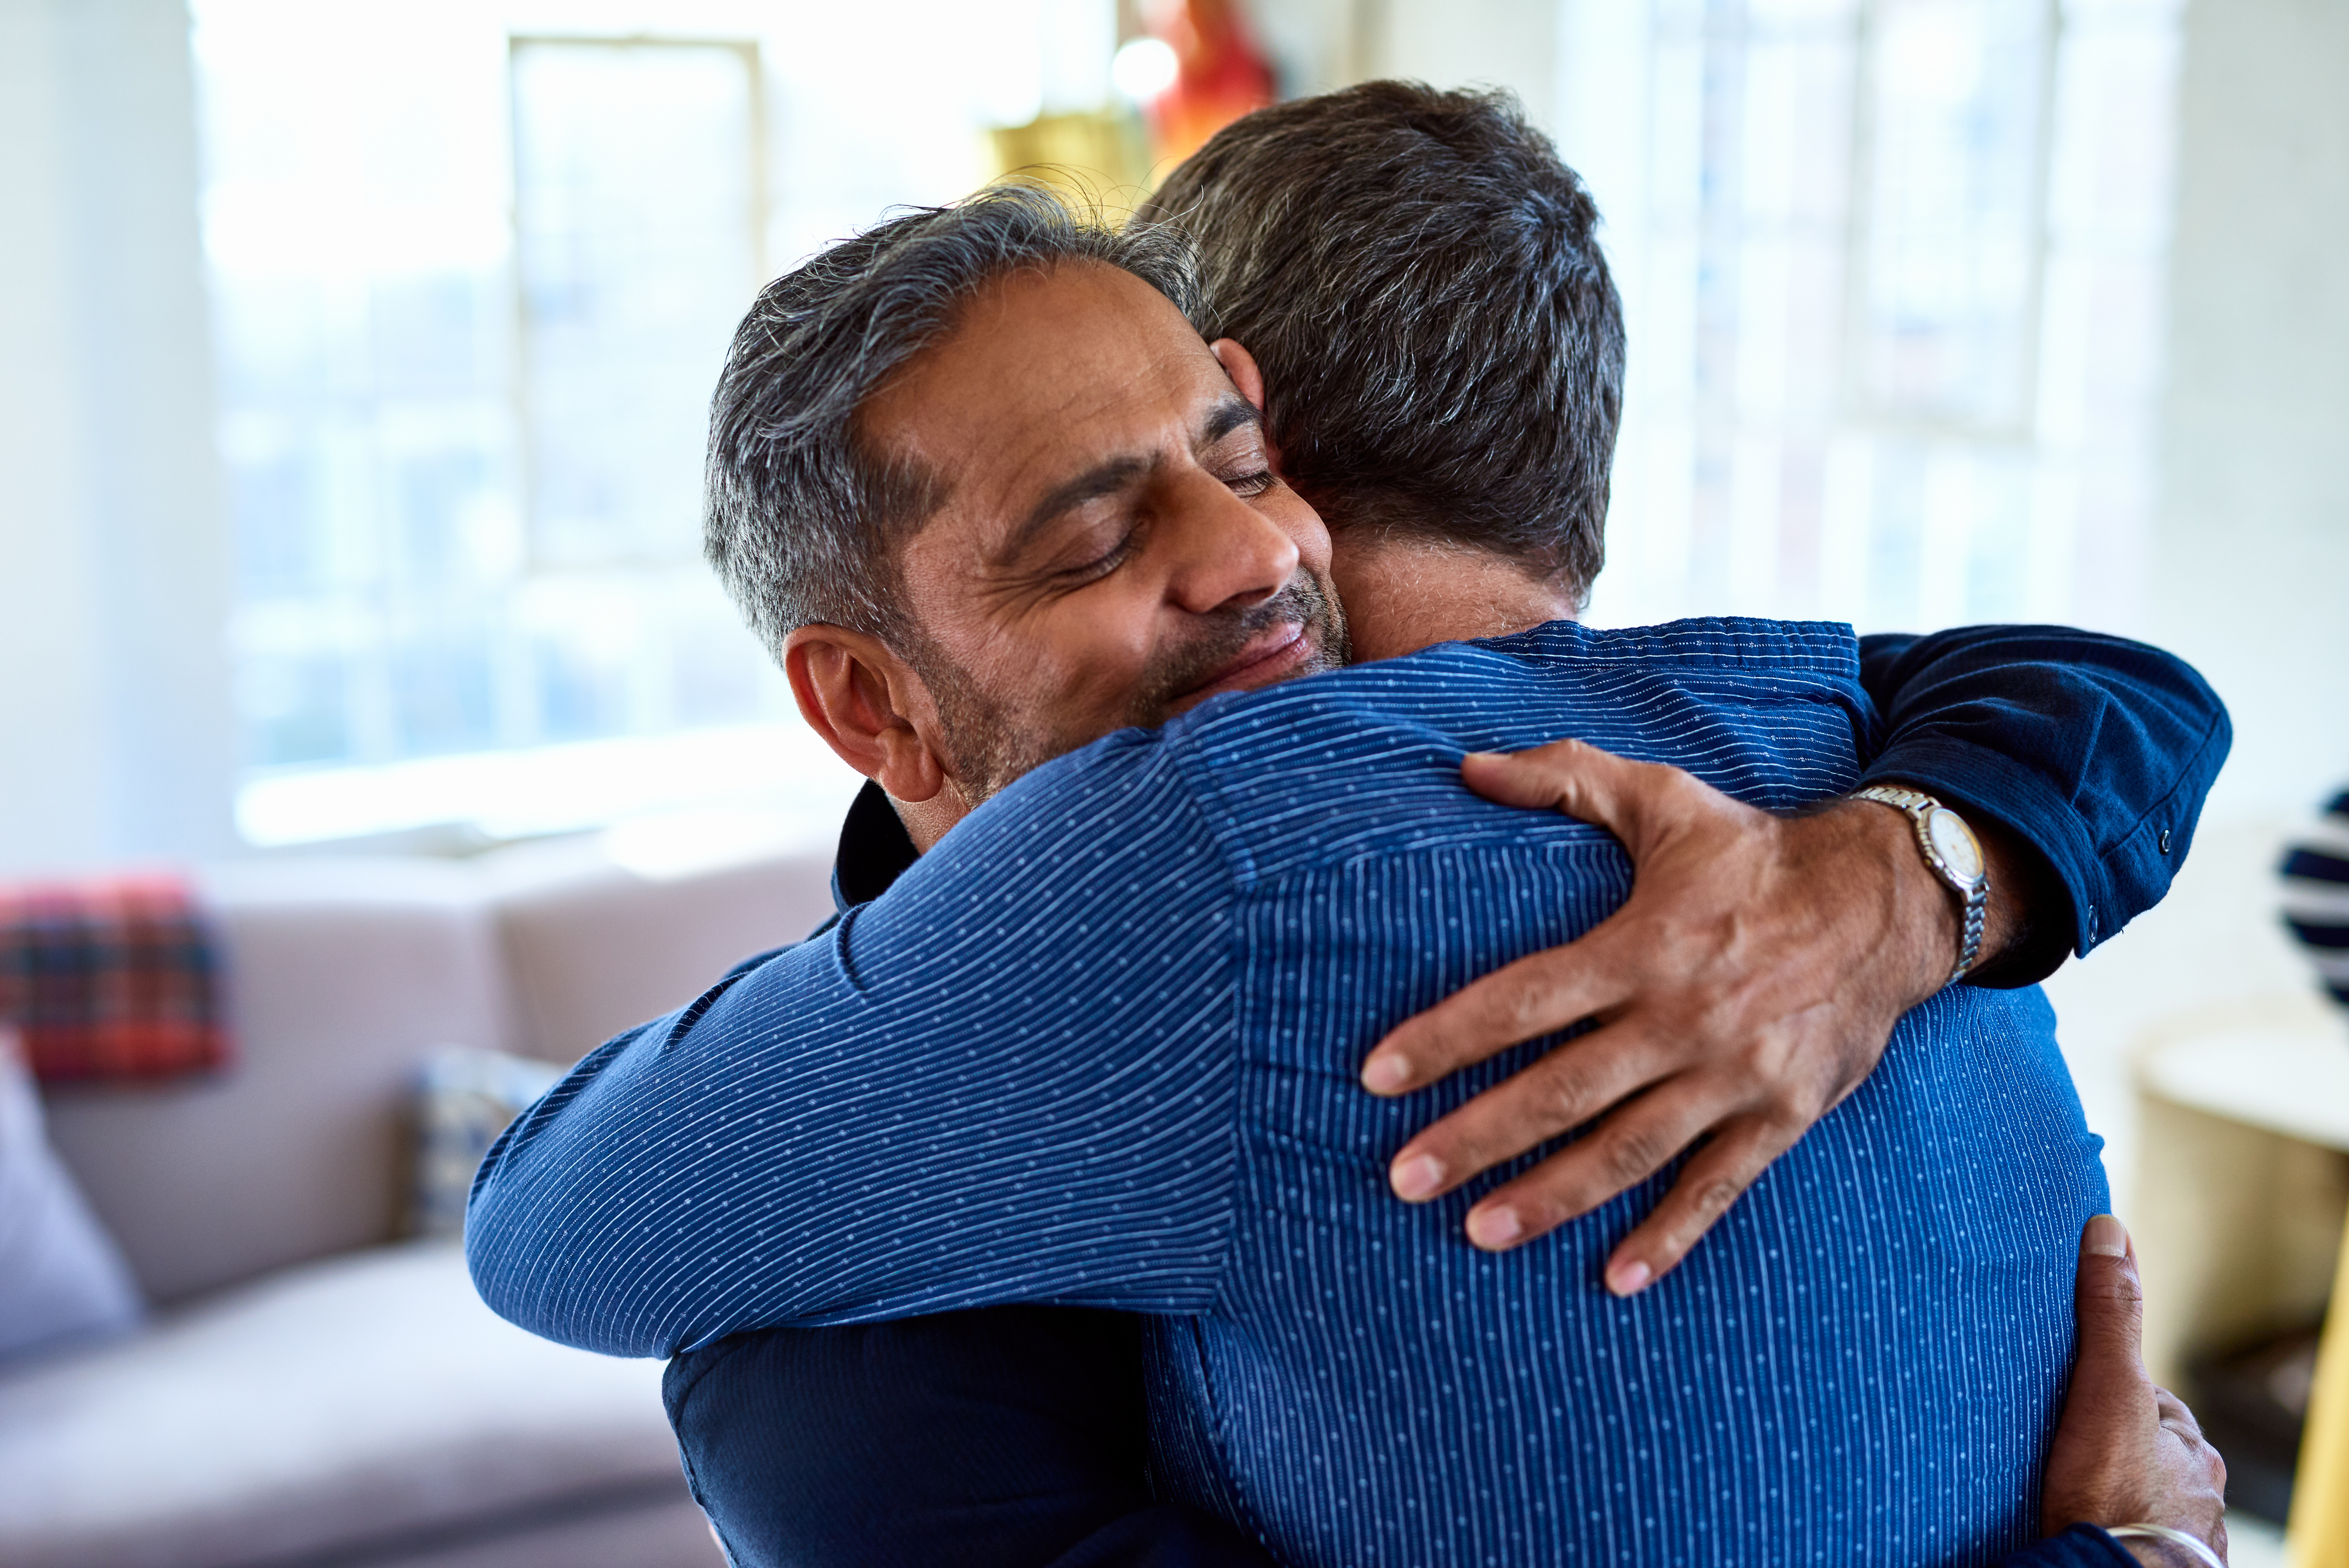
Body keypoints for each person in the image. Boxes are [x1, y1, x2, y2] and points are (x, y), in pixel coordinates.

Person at [466, 170, 2227, 1565]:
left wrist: (1894, 876)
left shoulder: (1771, 753)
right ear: (870, 703)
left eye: (1245, 457)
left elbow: (538, 1230)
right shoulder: (1817, 719)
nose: (1249, 553)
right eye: (1094, 534)